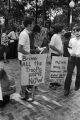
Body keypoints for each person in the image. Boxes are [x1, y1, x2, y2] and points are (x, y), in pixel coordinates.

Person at [18, 17, 34, 101]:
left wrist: (31, 51)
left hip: (25, 58)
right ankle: (23, 94)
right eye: (32, 24)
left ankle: (25, 93)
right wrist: (29, 54)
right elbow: (19, 49)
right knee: (25, 77)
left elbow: (25, 48)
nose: (33, 26)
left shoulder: (26, 33)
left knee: (27, 77)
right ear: (29, 25)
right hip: (24, 59)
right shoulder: (24, 34)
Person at [64, 27, 80, 96]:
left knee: (79, 73)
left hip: (79, 58)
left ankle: (77, 85)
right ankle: (66, 89)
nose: (76, 32)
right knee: (69, 74)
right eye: (75, 31)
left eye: (78, 31)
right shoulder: (71, 40)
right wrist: (71, 53)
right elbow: (69, 48)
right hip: (72, 58)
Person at [49, 24, 64, 88]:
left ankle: (55, 82)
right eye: (62, 28)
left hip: (58, 54)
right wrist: (58, 51)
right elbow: (51, 45)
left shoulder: (58, 36)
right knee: (54, 69)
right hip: (55, 54)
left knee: (57, 69)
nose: (63, 30)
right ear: (59, 29)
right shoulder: (55, 36)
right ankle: (52, 83)